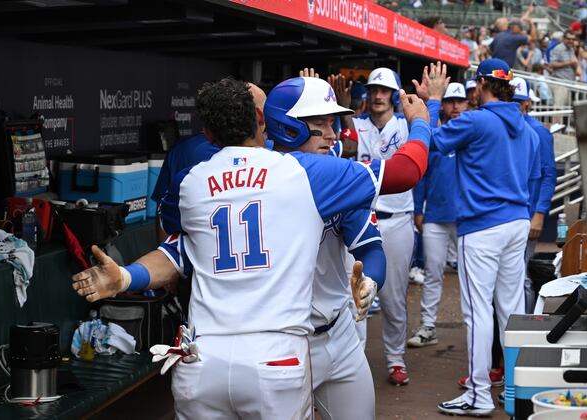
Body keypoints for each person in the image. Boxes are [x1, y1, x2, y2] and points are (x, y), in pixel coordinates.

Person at [71, 77, 432, 419]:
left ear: (208, 132)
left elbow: (179, 251)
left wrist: (125, 276)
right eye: (320, 122)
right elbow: (407, 170)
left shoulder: (193, 181)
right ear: (264, 120)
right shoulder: (305, 173)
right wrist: (419, 122)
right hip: (277, 350)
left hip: (207, 355)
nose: (331, 132)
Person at [423, 59, 540, 417]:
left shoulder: (476, 119)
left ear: (480, 85)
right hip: (516, 222)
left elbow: (431, 142)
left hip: (483, 226)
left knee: (478, 313)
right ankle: (519, 391)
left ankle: (479, 394)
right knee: (511, 310)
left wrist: (432, 102)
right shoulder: (526, 125)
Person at [266, 76, 386, 420]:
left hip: (339, 333)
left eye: (332, 122)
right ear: (289, 128)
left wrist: (370, 281)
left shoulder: (335, 176)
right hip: (280, 342)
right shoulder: (255, 179)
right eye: (321, 123)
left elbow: (371, 248)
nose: (333, 133)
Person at [344, 66, 416, 386]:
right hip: (361, 219)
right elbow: (345, 147)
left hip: (398, 219)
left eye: (384, 90)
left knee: (393, 297)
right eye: (373, 90)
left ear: (395, 95)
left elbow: (427, 140)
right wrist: (346, 112)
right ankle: (355, 361)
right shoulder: (355, 123)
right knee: (355, 294)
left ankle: (395, 360)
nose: (377, 95)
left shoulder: (404, 125)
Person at [408, 82, 466, 348]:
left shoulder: (473, 133)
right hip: (436, 215)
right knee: (432, 273)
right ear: (443, 104)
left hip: (467, 217)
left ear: (467, 103)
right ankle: (428, 326)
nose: (455, 106)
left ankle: (475, 330)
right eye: (450, 101)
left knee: (470, 276)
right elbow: (420, 177)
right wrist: (418, 209)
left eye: (460, 101)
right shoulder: (436, 135)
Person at [511, 76, 557, 313]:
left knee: (523, 278)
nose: (516, 106)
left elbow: (549, 175)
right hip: (504, 214)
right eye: (512, 100)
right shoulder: (502, 128)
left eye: (520, 101)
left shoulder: (539, 131)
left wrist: (539, 213)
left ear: (528, 102)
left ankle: (522, 330)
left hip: (527, 214)